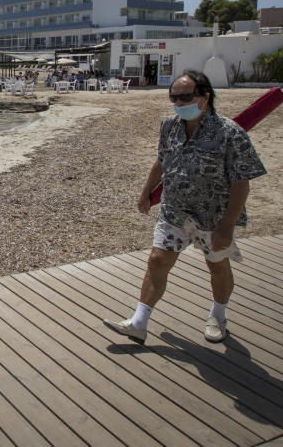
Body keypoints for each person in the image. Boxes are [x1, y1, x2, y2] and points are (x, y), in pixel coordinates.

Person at [104, 70, 267, 344]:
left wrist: (226, 226)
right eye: (174, 97)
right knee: (157, 261)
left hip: (213, 217)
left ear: (204, 97)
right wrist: (146, 193)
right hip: (174, 212)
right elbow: (161, 161)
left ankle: (218, 315)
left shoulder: (229, 132)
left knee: (217, 266)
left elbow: (241, 182)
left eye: (185, 97)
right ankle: (139, 323)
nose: (179, 103)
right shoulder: (170, 125)